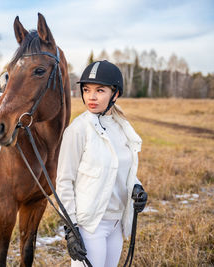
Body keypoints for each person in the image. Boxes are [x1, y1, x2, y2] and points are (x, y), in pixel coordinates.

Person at [56, 60, 147, 267]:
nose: (91, 97)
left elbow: (124, 168)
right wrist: (71, 230)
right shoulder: (78, 130)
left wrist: (137, 186)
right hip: (90, 226)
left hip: (116, 223)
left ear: (115, 94)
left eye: (100, 90)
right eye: (87, 90)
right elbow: (64, 182)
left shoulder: (122, 127)